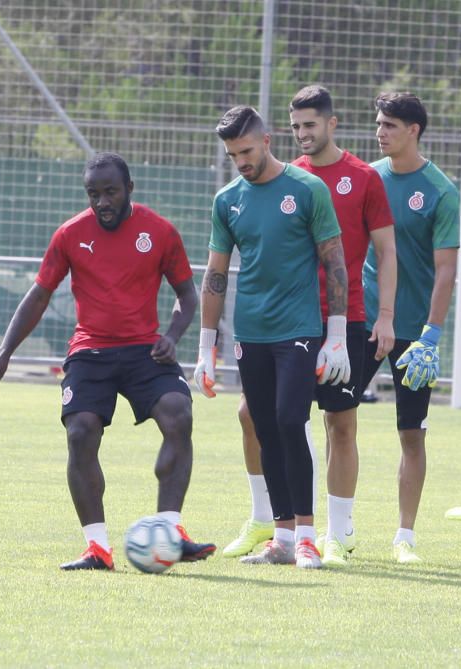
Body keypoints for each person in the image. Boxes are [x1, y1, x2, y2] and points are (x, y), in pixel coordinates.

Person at [0, 152, 215, 571]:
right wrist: (4, 352)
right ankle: (97, 548)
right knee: (80, 432)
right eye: (93, 194)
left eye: (110, 192)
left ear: (129, 191)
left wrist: (172, 337)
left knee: (179, 414)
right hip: (90, 351)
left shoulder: (160, 232)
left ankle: (171, 530)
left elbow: (187, 295)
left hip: (146, 350)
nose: (102, 202)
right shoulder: (70, 234)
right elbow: (39, 295)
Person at [219, 85, 397, 566]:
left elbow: (383, 251)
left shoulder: (361, 177)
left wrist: (383, 317)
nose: (303, 134)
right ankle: (271, 523)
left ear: (332, 124)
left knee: (339, 422)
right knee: (257, 417)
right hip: (283, 322)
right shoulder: (276, 178)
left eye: (310, 125)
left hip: (344, 319)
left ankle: (336, 533)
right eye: (296, 126)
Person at [194, 106, 350, 570]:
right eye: (231, 154)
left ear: (266, 140)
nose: (240, 160)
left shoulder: (307, 189)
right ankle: (281, 537)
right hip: (251, 332)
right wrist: (205, 348)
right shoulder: (227, 200)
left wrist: (336, 334)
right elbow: (215, 274)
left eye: (245, 150)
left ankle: (306, 536)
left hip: (299, 329)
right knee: (264, 428)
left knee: (289, 420)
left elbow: (335, 262)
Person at [359, 92, 460, 564]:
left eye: (390, 125)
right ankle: (337, 525)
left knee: (411, 433)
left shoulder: (440, 191)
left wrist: (432, 334)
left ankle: (405, 535)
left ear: (413, 130)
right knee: (335, 418)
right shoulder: (366, 179)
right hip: (363, 321)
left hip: (413, 333)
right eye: (379, 124)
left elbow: (445, 271)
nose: (380, 132)